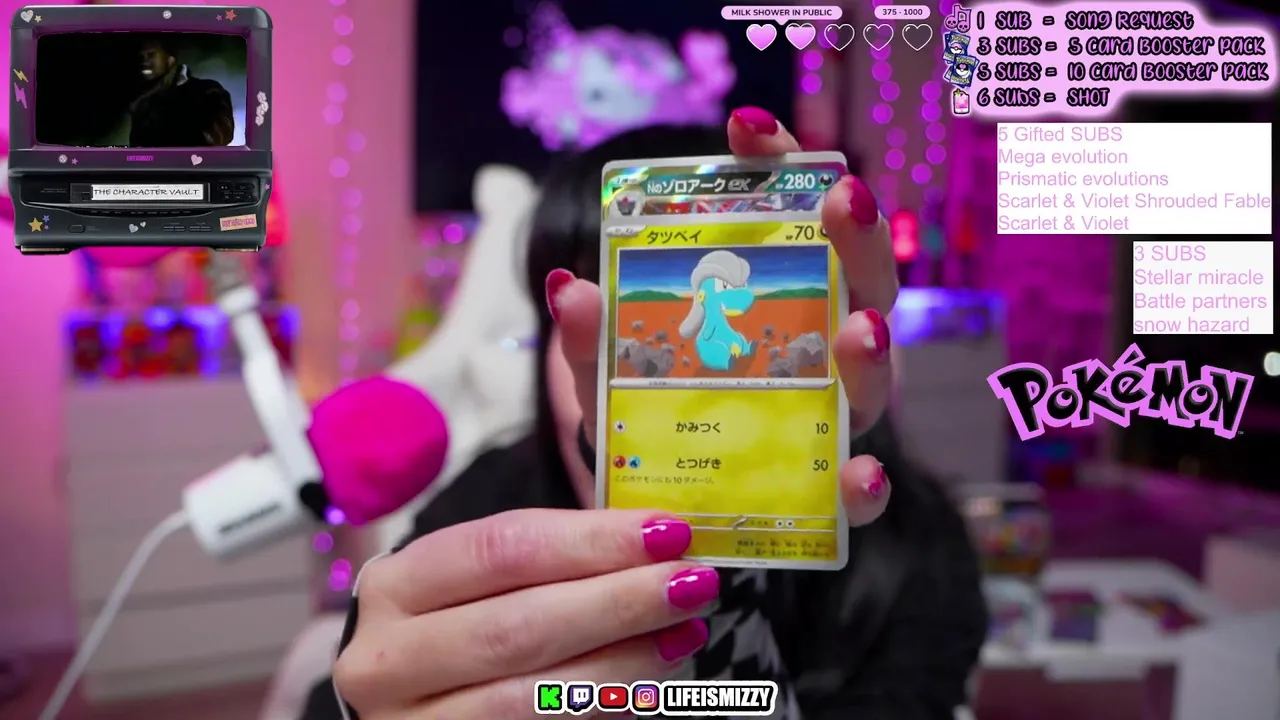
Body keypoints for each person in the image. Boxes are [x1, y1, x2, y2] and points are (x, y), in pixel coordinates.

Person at [302, 109, 988, 720]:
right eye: (598, 310)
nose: (633, 374)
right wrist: (369, 695)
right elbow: (347, 688)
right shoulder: (487, 502)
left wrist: (718, 596)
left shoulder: (915, 545)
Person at [129, 39, 235, 147]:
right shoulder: (142, 104)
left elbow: (220, 136)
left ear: (170, 60)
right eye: (141, 57)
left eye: (151, 55)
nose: (144, 61)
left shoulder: (208, 89)